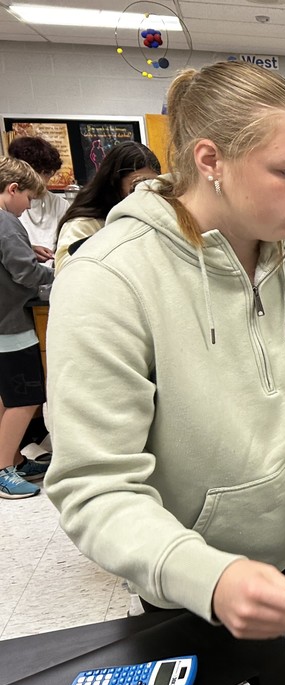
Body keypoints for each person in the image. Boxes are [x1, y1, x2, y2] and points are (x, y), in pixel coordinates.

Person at [44, 61, 285, 640]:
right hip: (191, 576)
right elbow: (95, 485)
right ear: (211, 162)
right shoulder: (108, 277)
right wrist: (210, 577)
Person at [0, 157, 55, 498]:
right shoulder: (6, 222)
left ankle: (14, 458)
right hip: (11, 325)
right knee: (25, 398)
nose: (30, 205)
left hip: (2, 324)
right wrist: (61, 271)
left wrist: (28, 250)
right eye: (29, 198)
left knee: (7, 400)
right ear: (13, 189)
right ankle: (4, 468)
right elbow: (24, 273)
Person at [54, 141, 162, 272]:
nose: (145, 193)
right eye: (138, 185)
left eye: (152, 185)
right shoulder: (84, 223)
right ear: (114, 184)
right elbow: (69, 273)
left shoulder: (150, 216)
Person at [7, 136, 69, 262]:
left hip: (50, 276)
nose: (46, 180)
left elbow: (67, 246)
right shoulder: (8, 202)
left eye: (49, 174)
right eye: (44, 173)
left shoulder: (60, 205)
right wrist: (28, 250)